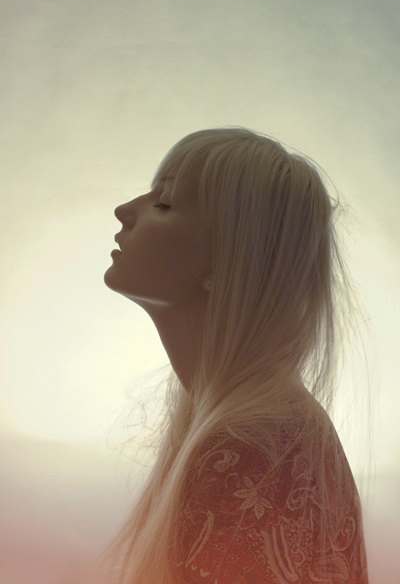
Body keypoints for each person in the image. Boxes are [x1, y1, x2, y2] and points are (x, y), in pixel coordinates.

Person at [102, 127, 370, 583]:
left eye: (163, 202)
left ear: (227, 260)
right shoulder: (267, 430)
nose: (125, 210)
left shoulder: (248, 453)